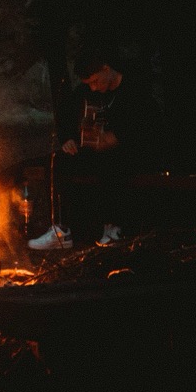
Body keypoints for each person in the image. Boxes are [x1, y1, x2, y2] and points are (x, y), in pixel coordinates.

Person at [27, 44, 162, 252]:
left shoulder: (135, 90)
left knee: (113, 164)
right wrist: (68, 139)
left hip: (127, 153)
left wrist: (118, 137)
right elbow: (66, 118)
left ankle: (114, 227)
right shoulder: (85, 93)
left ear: (106, 69)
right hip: (92, 151)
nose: (93, 88)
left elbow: (149, 125)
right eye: (89, 83)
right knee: (56, 162)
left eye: (95, 81)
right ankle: (60, 231)